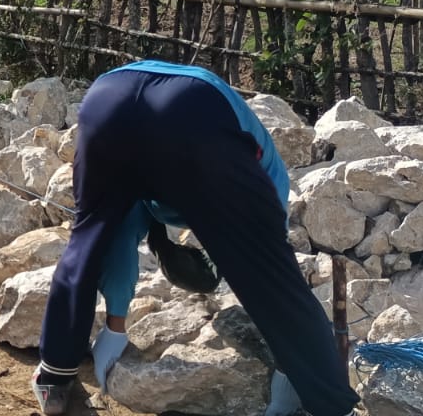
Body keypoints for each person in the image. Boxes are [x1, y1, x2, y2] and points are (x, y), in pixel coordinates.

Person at [32, 60, 361, 416]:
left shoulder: (160, 184)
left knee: (89, 237)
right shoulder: (270, 181)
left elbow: (113, 242)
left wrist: (116, 326)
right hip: (195, 109)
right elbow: (271, 281)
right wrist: (289, 368)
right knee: (270, 274)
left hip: (108, 98)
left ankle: (53, 375)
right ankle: (330, 405)